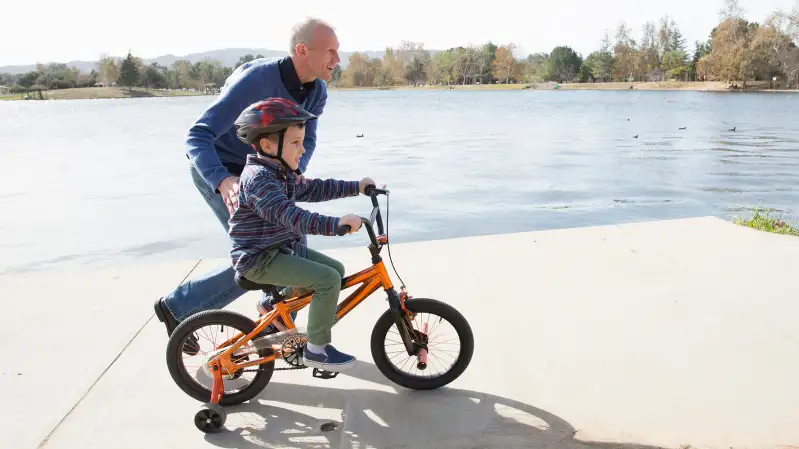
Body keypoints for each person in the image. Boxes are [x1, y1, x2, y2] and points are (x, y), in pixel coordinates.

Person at [153, 17, 341, 354]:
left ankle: (277, 312)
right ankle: (178, 308)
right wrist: (223, 180)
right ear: (302, 50)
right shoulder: (256, 81)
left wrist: (294, 173)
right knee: (260, 255)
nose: (337, 59)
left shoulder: (317, 91)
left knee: (294, 245)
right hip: (221, 169)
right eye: (330, 51)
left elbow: (306, 140)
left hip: (265, 173)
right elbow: (197, 136)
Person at [229, 97, 371, 371]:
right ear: (268, 145)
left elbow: (316, 190)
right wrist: (335, 224)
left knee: (335, 269)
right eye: (295, 143)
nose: (302, 149)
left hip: (279, 249)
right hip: (259, 259)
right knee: (328, 280)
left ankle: (276, 308)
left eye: (302, 141)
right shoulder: (259, 179)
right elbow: (291, 216)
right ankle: (317, 350)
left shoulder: (279, 173)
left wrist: (358, 186)